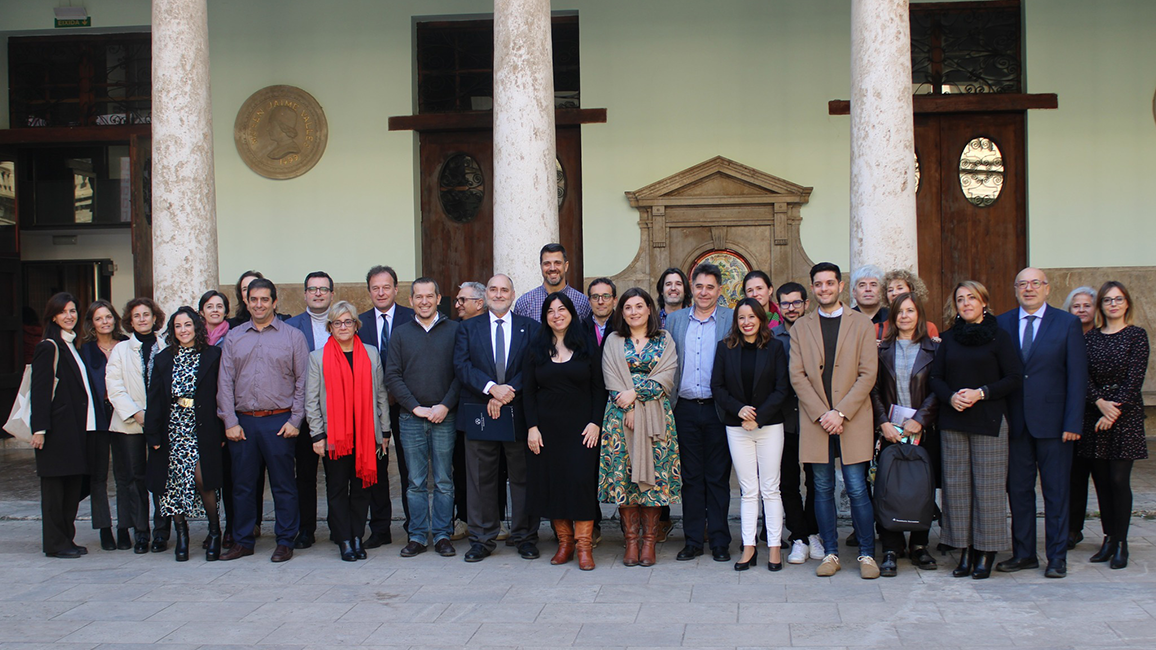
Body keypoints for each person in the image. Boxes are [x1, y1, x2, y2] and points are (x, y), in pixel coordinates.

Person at [789, 262, 880, 579]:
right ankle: (830, 552)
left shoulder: (862, 324)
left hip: (852, 418)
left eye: (830, 283)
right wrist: (823, 413)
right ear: (812, 288)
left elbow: (868, 373)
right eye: (818, 284)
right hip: (817, 420)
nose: (824, 288)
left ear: (840, 286)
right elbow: (797, 376)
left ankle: (867, 554)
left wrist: (840, 412)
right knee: (822, 487)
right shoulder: (801, 327)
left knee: (857, 488)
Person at [997, 268, 1087, 579]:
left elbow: (1077, 377)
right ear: (1015, 289)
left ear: (1047, 289)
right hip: (1015, 424)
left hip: (1055, 425)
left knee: (1056, 492)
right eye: (1022, 284)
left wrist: (1073, 422)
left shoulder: (1067, 323)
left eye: (1036, 283)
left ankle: (1057, 557)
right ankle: (1024, 554)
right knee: (1019, 491)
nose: (1029, 289)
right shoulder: (1002, 323)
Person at [929, 280, 1021, 580]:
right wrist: (951, 396)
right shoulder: (948, 339)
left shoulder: (1000, 337)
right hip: (954, 422)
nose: (966, 303)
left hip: (990, 421)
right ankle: (964, 548)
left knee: (988, 489)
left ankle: (986, 552)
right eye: (960, 299)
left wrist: (981, 392)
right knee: (956, 490)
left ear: (984, 302)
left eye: (972, 298)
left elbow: (1013, 377)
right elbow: (936, 378)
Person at [216, 278, 310, 562]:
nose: (259, 304)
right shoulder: (234, 336)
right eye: (253, 299)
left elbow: (303, 381)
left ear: (274, 301)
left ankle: (285, 540)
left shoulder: (292, 336)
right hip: (243, 423)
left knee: (283, 485)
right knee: (243, 485)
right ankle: (243, 540)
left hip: (279, 422)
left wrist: (296, 419)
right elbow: (225, 381)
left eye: (264, 300)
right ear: (247, 302)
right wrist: (229, 420)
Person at [454, 274, 540, 562]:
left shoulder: (531, 328)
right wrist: (492, 389)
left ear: (513, 294)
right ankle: (481, 539)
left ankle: (525, 536)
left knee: (522, 478)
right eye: (494, 289)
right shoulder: (468, 328)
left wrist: (508, 391)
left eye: (504, 290)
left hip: (518, 413)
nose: (499, 294)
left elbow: (533, 366)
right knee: (480, 479)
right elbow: (462, 366)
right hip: (480, 410)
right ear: (485, 296)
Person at [599, 288, 680, 567]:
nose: (633, 312)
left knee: (654, 479)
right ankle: (631, 542)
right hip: (619, 418)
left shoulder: (664, 339)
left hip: (656, 418)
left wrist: (636, 394)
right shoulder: (613, 340)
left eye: (639, 306)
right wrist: (629, 406)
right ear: (621, 312)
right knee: (625, 477)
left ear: (649, 309)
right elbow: (610, 377)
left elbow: (666, 377)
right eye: (628, 307)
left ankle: (649, 542)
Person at [524, 292, 605, 570]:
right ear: (545, 317)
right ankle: (565, 543)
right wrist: (532, 427)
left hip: (583, 429)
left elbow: (598, 388)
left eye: (562, 309)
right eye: (550, 311)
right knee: (554, 484)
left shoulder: (587, 345)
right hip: (547, 431)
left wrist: (596, 422)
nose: (556, 314)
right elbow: (528, 392)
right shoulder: (536, 346)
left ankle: (584, 546)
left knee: (581, 484)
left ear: (571, 312)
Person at [305, 301, 390, 562]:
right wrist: (317, 436)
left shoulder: (371, 353)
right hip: (335, 437)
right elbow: (311, 400)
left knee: (362, 488)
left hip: (366, 434)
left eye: (348, 321)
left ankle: (356, 536)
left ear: (356, 325)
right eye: (338, 322)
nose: (343, 327)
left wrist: (384, 431)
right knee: (338, 488)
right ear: (330, 327)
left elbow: (380, 395)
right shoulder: (317, 358)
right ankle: (343, 539)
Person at [711, 298, 789, 571]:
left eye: (751, 317)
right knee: (748, 491)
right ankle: (748, 547)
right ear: (736, 321)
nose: (746, 322)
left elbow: (782, 388)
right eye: (741, 317)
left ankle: (775, 548)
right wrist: (740, 410)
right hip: (737, 427)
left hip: (769, 427)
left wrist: (758, 417)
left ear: (761, 319)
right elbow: (717, 387)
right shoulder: (725, 348)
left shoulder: (775, 347)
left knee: (770, 488)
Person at [386, 278, 461, 558]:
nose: (424, 301)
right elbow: (392, 375)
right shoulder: (401, 334)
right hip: (411, 419)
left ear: (439, 298)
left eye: (429, 296)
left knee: (443, 480)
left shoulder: (454, 330)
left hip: (445, 417)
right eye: (418, 297)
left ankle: (442, 534)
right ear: (410, 301)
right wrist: (414, 406)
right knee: (415, 482)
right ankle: (417, 535)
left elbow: (460, 372)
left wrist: (445, 405)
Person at [144, 307, 225, 562]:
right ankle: (182, 534)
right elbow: (155, 399)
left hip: (203, 427)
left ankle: (214, 531)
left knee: (204, 479)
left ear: (197, 327)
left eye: (188, 325)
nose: (183, 330)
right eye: (178, 326)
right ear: (173, 330)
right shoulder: (163, 358)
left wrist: (223, 429)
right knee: (174, 483)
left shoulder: (213, 355)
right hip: (173, 429)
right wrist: (153, 435)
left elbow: (221, 395)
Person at [666, 263, 734, 562]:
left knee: (717, 477)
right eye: (699, 286)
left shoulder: (731, 319)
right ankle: (693, 539)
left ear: (719, 290)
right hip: (685, 409)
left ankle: (719, 540)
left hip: (719, 410)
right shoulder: (675, 320)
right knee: (691, 478)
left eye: (710, 287)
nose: (704, 292)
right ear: (690, 288)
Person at [869, 292, 940, 576]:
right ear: (892, 317)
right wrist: (883, 423)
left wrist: (921, 419)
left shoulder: (934, 350)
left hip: (923, 431)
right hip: (891, 431)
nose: (905, 316)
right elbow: (872, 390)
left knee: (921, 489)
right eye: (899, 312)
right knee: (889, 488)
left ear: (919, 314)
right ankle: (890, 546)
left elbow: (939, 388)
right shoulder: (881, 350)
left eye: (910, 311)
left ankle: (919, 546)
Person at [1079, 281, 1148, 570]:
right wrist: (1099, 404)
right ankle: (1108, 538)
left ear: (1127, 303)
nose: (1113, 304)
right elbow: (1082, 376)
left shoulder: (1136, 336)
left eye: (1118, 299)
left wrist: (1112, 411)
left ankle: (1121, 542)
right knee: (1102, 483)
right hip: (1095, 416)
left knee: (1119, 481)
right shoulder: (1090, 339)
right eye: (1107, 300)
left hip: (1125, 417)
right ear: (1101, 306)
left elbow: (1135, 378)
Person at [30, 293, 96, 558]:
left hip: (75, 431)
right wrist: (39, 429)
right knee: (55, 493)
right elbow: (40, 391)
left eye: (73, 310)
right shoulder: (48, 346)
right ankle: (55, 544)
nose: (70, 315)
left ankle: (66, 539)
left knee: (71, 489)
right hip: (55, 432)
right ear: (53, 316)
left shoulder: (72, 345)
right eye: (64, 311)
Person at [357, 265, 415, 548]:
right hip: (372, 408)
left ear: (396, 289)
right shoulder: (359, 323)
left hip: (406, 405)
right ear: (369, 291)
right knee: (376, 470)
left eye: (386, 287)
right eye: (375, 288)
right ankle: (380, 529)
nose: (381, 292)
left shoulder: (411, 317)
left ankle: (413, 527)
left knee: (410, 468)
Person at [105, 297, 166, 554]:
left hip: (161, 423)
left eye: (146, 314)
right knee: (135, 478)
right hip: (130, 424)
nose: (142, 319)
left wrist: (155, 417)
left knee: (161, 478)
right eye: (136, 316)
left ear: (155, 318)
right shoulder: (120, 350)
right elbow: (114, 386)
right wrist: (136, 413)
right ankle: (141, 533)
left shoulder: (167, 346)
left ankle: (162, 533)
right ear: (130, 321)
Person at [772, 282, 823, 565]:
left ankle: (814, 532)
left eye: (796, 302)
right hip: (783, 421)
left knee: (816, 482)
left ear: (806, 303)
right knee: (787, 483)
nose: (791, 307)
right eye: (786, 303)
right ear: (779, 307)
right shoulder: (773, 338)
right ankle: (799, 537)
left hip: (814, 419)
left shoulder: (817, 334)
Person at [285, 271, 335, 550]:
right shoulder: (290, 327)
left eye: (323, 289)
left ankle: (338, 526)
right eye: (313, 289)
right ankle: (306, 528)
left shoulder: (342, 324)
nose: (318, 293)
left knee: (336, 474)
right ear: (304, 294)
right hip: (303, 413)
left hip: (336, 413)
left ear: (331, 294)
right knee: (304, 475)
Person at [79, 300, 125, 551]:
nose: (105, 322)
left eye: (108, 317)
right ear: (92, 323)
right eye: (99, 318)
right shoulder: (84, 350)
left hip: (123, 415)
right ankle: (104, 529)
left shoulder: (126, 344)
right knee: (98, 476)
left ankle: (124, 527)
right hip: (96, 416)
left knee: (124, 474)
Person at [451, 281, 487, 541]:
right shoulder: (457, 329)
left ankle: (496, 520)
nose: (457, 305)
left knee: (495, 470)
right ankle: (464, 518)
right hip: (462, 409)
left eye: (463, 300)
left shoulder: (492, 329)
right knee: (463, 469)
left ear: (479, 303)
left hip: (495, 406)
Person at [199, 289, 235, 547]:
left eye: (219, 306)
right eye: (209, 306)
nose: (214, 310)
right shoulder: (194, 340)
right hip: (202, 419)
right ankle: (214, 527)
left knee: (231, 477)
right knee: (207, 476)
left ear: (226, 311)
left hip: (229, 417)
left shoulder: (233, 338)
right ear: (202, 311)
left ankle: (232, 528)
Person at [1063, 285, 1097, 549]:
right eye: (1077, 306)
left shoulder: (1102, 337)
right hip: (1074, 414)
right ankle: (1073, 528)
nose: (1082, 310)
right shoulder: (1064, 334)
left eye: (1087, 305)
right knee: (1074, 476)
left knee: (1108, 479)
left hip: (1103, 415)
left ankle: (1112, 534)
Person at [512, 242, 592, 322]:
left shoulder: (582, 302)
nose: (552, 268)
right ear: (541, 267)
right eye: (547, 264)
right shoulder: (525, 303)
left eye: (557, 263)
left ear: (566, 266)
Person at [881, 269, 940, 338]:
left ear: (912, 290)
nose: (894, 293)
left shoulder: (929, 328)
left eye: (899, 288)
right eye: (890, 290)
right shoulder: (879, 329)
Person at [585, 277, 617, 346]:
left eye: (606, 296)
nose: (600, 302)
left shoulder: (623, 326)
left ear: (615, 300)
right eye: (595, 297)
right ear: (589, 301)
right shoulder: (581, 329)